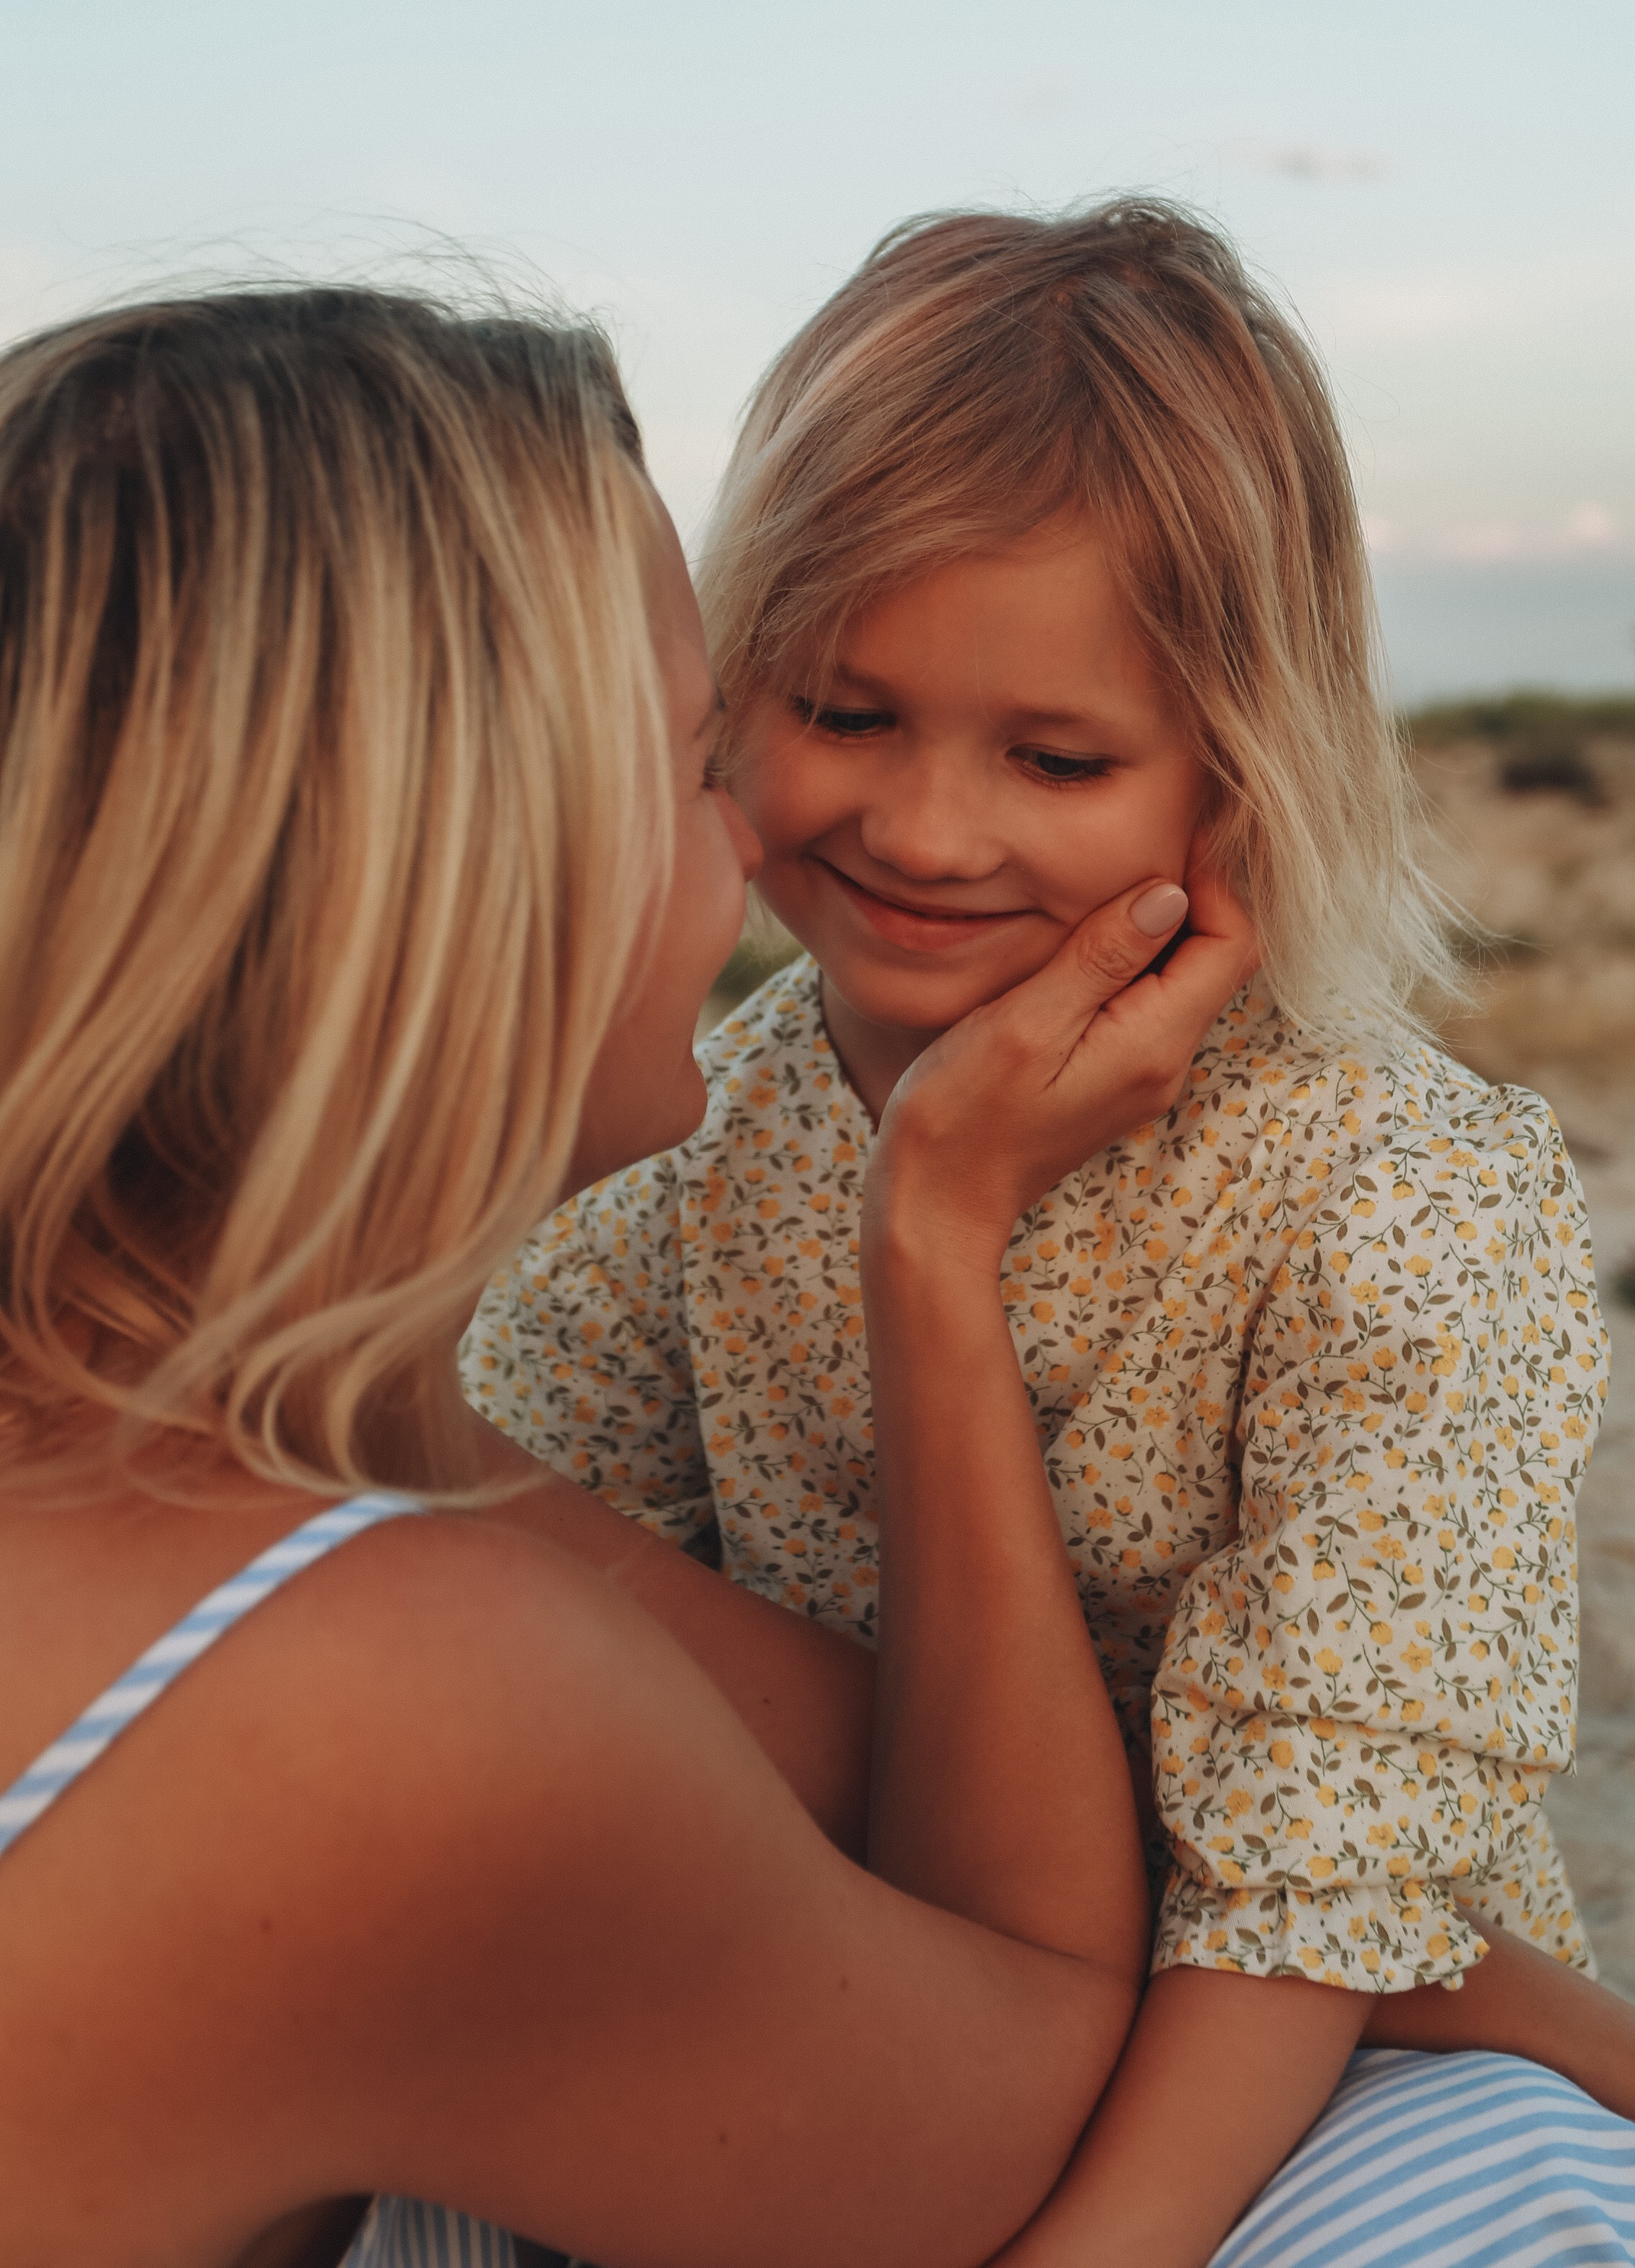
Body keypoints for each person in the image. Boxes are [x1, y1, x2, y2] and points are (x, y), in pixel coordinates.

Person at [0, 279, 1252, 2267]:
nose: (750, 849)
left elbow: (848, 1771)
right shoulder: (373, 1688)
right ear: (464, 863)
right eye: (695, 763)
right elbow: (1007, 2066)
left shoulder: (229, 1437)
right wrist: (932, 1240)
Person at [465, 200, 1635, 2266]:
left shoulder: (1403, 1201)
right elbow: (572, 1688)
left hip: (1307, 2059)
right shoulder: (677, 1172)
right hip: (871, 1997)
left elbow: (1325, 1899)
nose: (925, 828)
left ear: (1236, 772)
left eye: (1055, 756)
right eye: (846, 710)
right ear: (724, 694)